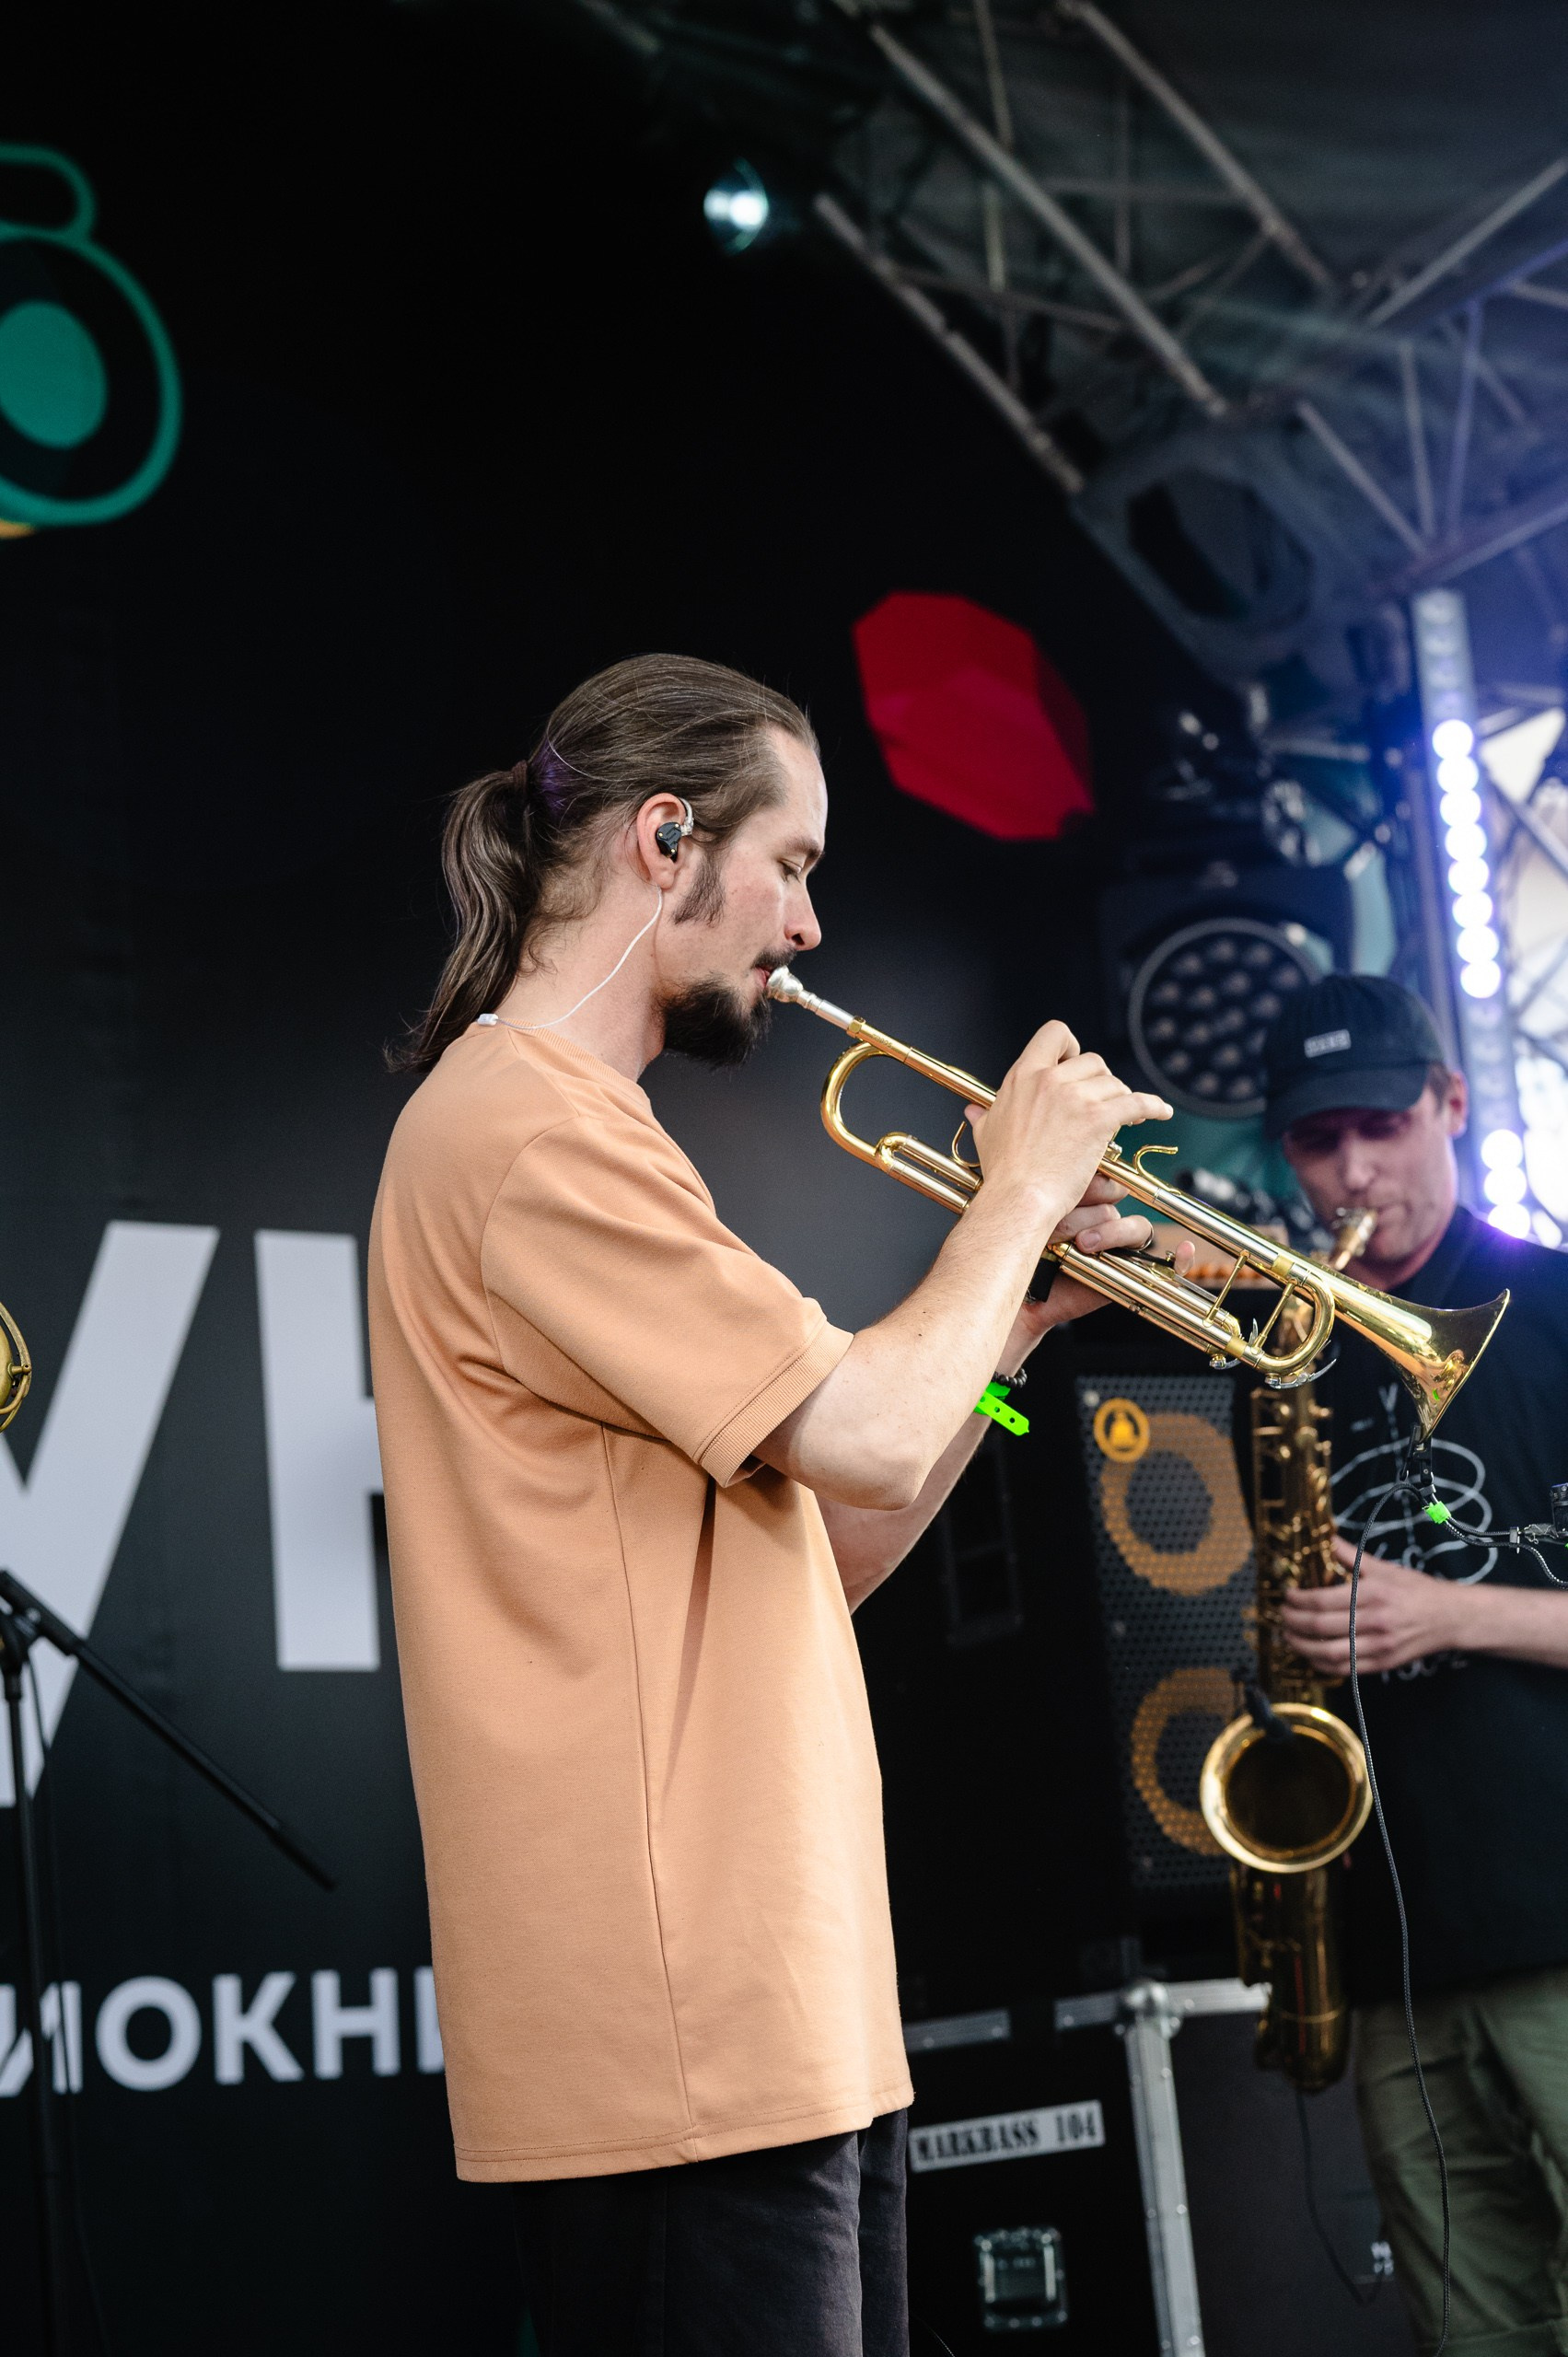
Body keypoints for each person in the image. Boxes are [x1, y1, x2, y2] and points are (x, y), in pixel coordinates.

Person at [366, 654, 1175, 2357]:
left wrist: (1019, 1321)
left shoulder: (593, 1132)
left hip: (775, 2019)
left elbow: (834, 1549)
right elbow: (874, 1436)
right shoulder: (527, 1131)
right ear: (669, 839)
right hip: (685, 2042)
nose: (809, 924)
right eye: (792, 863)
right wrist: (1015, 1196)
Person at [1260, 970, 1568, 2357]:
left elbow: (1448, 1610)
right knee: (1472, 2335)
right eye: (1319, 1142)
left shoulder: (1554, 1308)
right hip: (1396, 1955)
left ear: (1451, 1102)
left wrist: (1454, 1616)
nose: (1355, 1171)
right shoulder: (1286, 1350)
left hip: (1561, 1932)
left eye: (1382, 1126)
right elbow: (1005, 1419)